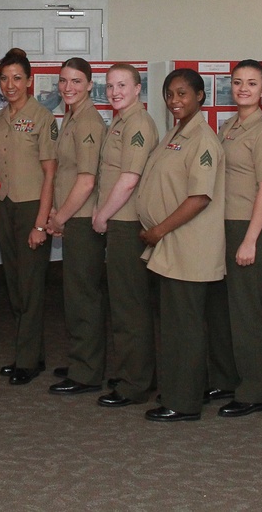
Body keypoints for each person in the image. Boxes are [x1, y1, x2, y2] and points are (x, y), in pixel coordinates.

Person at [136, 68, 225, 422]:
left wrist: (158, 230)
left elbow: (199, 197)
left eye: (183, 94)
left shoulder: (202, 139)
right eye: (170, 94)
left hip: (189, 246)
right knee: (174, 324)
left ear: (200, 96)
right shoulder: (176, 133)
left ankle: (184, 402)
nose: (175, 101)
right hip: (173, 246)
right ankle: (179, 388)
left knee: (184, 326)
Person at [215, 60, 262, 417]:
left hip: (249, 228)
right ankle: (230, 381)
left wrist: (251, 240)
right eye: (238, 82)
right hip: (226, 225)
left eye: (251, 83)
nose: (243, 89)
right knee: (227, 312)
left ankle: (252, 391)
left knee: (247, 314)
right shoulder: (228, 127)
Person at [92, 63, 158, 408]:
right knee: (123, 304)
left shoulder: (138, 124)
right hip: (119, 223)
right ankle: (135, 370)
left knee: (129, 306)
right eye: (109, 86)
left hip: (127, 224)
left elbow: (129, 179)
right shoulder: (119, 121)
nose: (115, 92)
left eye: (122, 85)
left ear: (137, 89)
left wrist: (101, 216)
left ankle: (135, 383)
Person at [0, 48, 57, 386]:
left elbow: (50, 174)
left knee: (30, 287)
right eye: (4, 78)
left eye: (17, 78)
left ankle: (27, 361)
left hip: (32, 206)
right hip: (5, 205)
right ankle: (31, 352)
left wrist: (41, 224)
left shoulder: (43, 118)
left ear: (30, 80)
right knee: (15, 285)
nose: (10, 84)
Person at [46, 58, 107, 396]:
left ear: (89, 85)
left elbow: (86, 181)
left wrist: (59, 217)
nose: (68, 88)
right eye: (63, 81)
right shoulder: (71, 116)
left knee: (84, 297)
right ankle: (81, 359)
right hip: (73, 216)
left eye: (76, 82)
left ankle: (87, 372)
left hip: (82, 219)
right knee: (75, 295)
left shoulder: (88, 122)